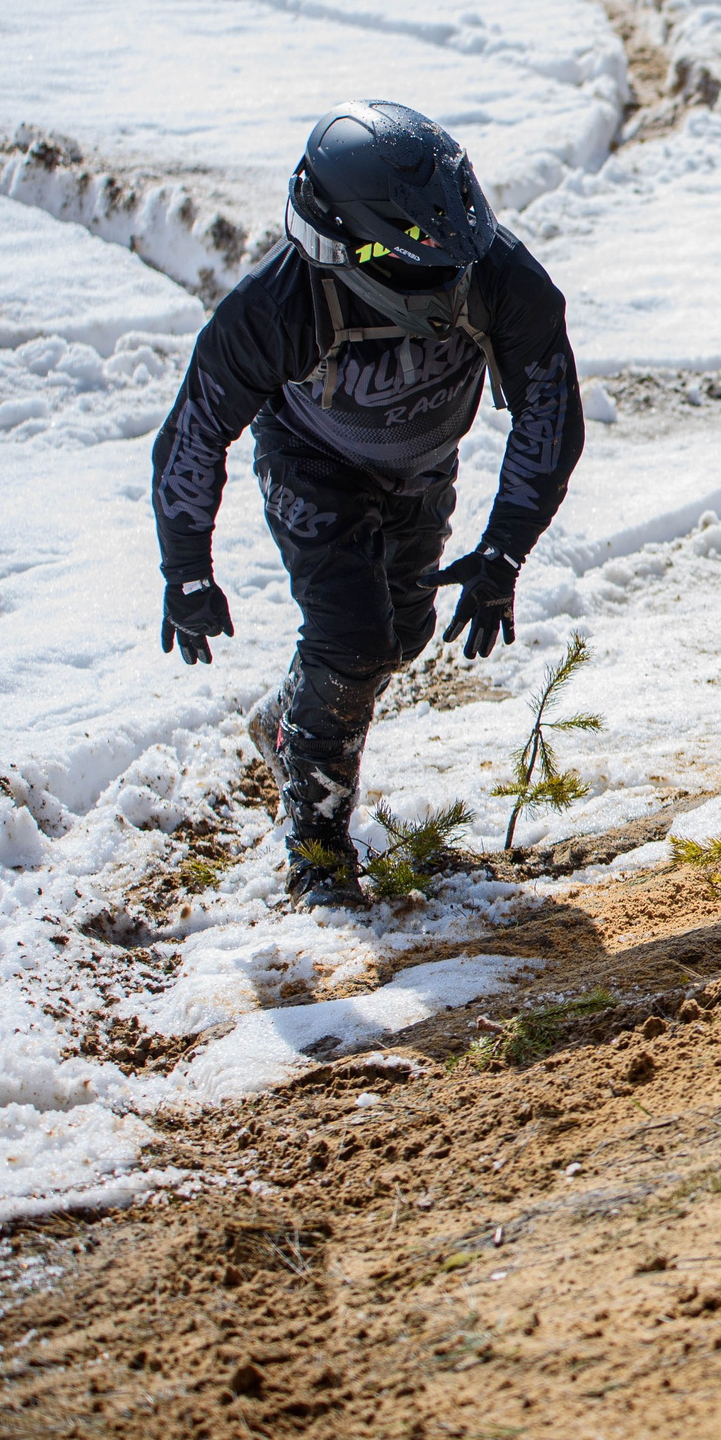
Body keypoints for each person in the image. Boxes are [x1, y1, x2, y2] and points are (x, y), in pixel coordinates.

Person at [150, 101, 584, 906]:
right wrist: (186, 569)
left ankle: (287, 721)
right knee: (351, 637)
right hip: (311, 464)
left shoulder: (499, 275)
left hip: (422, 467)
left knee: (401, 636)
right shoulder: (279, 303)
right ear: (353, 245)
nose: (452, 272)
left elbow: (550, 412)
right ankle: (316, 853)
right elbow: (196, 428)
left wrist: (504, 550)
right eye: (422, 256)